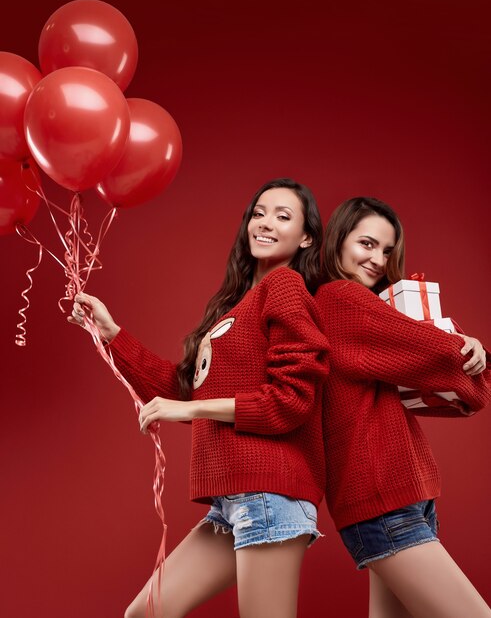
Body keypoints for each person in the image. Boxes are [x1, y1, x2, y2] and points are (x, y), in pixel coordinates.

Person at [69, 178, 330, 618]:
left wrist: (189, 407)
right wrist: (112, 336)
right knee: (146, 612)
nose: (264, 223)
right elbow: (186, 391)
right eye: (259, 212)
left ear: (306, 238)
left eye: (283, 217)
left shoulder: (285, 287)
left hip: (268, 492)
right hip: (233, 500)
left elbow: (290, 401)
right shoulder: (237, 304)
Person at [316, 196, 491, 618]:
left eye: (388, 250)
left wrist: (463, 350)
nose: (378, 259)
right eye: (366, 244)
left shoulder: (363, 307)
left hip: (397, 494)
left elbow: (430, 360)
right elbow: (444, 358)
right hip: (384, 498)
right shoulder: (340, 298)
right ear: (338, 242)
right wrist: (472, 351)